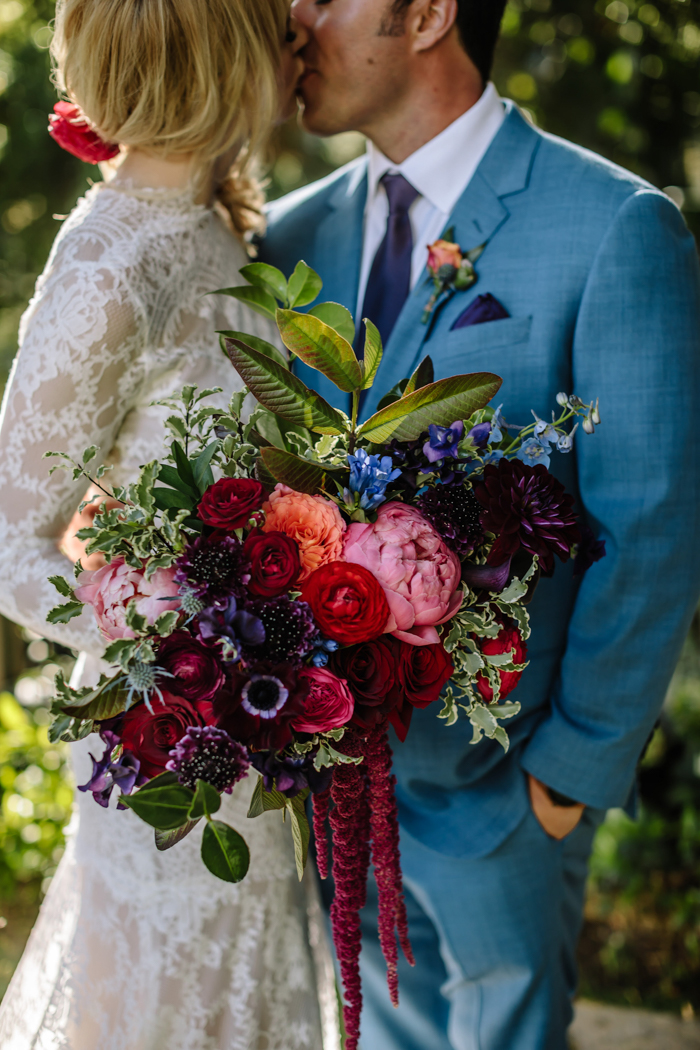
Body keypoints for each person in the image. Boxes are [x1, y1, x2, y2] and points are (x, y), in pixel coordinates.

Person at [260, 1, 700, 1047]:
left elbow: (650, 527)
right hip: (333, 785)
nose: (292, 16)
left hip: (503, 794)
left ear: (425, 14)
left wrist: (563, 779)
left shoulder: (613, 225)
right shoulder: (289, 234)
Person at [0, 2, 339, 1048]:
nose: (301, 33)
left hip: (265, 759)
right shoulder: (111, 269)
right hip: (172, 766)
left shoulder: (218, 231)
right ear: (219, 50)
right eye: (274, 21)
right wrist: (185, 651)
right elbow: (11, 544)